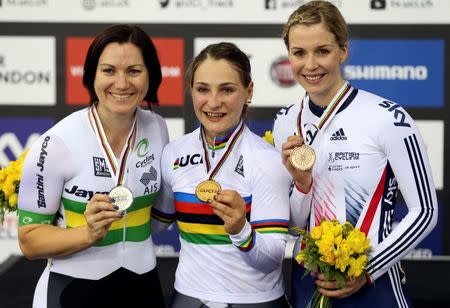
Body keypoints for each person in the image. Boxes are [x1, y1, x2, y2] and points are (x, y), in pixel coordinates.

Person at [272, 1, 438, 307]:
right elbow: (291, 222)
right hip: (309, 281)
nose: (310, 65)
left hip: (374, 284)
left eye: (322, 51)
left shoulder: (388, 117)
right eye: (299, 53)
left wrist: (367, 270)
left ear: (343, 51)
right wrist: (302, 185)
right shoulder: (285, 121)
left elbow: (425, 212)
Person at [17, 24, 168, 308]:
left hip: (143, 288)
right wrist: (87, 233)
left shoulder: (157, 128)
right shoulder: (56, 143)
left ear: (151, 76)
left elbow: (159, 215)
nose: (122, 84)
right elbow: (29, 241)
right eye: (108, 70)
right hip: (73, 291)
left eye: (134, 71)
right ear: (91, 75)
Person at [151, 42, 291, 307]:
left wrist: (241, 229)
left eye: (227, 90)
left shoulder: (267, 160)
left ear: (248, 91)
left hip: (253, 301)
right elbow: (156, 226)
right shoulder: (173, 153)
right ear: (191, 91)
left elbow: (270, 260)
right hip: (188, 297)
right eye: (203, 89)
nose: (213, 102)